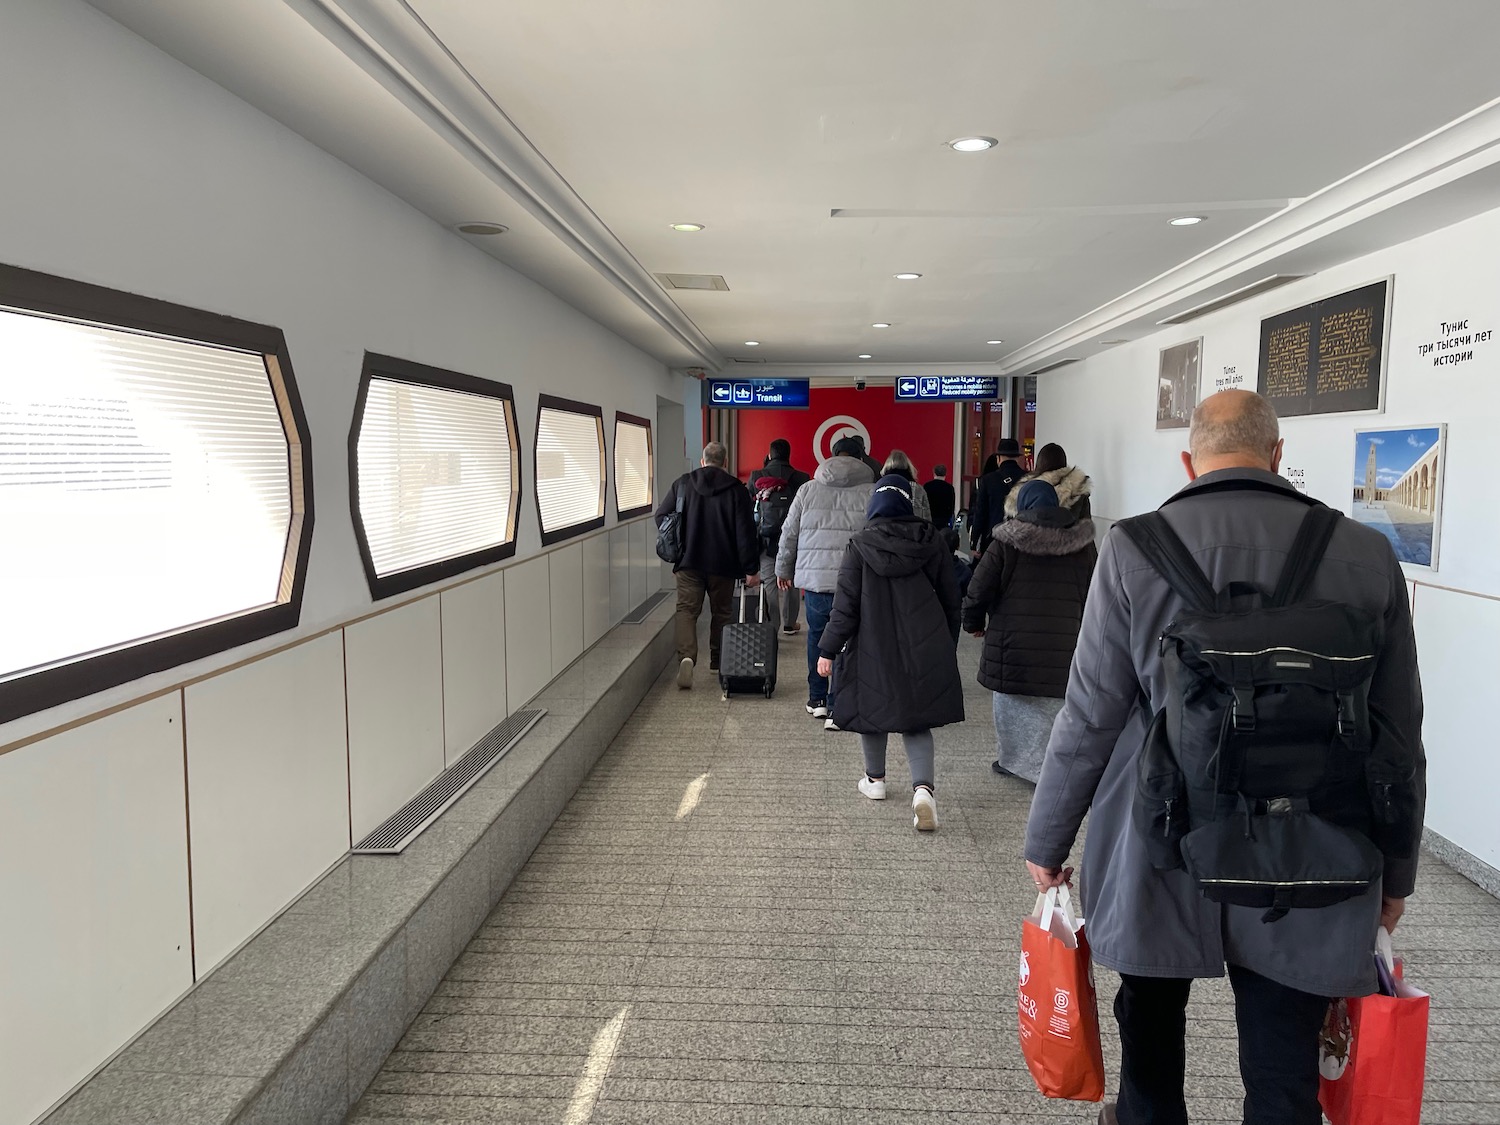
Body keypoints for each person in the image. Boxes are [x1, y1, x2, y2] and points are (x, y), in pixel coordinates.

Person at [1023, 391, 1425, 1125]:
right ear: (1277, 455)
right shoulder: (1367, 554)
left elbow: (1089, 715)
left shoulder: (1132, 548)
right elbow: (1399, 730)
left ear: (1189, 461)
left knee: (1149, 1036)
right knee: (1283, 1071)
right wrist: (1396, 871)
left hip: (1159, 834)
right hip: (1316, 841)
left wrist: (1046, 841)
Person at [816, 476, 963, 830]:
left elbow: (845, 608)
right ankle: (923, 790)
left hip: (873, 643)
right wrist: (947, 642)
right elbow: (951, 599)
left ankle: (876, 781)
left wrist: (828, 649)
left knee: (873, 707)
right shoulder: (933, 542)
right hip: (925, 642)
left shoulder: (860, 546)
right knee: (917, 718)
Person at [962, 479, 1096, 782]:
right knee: (1055, 708)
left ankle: (1014, 762)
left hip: (1013, 648)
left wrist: (972, 623)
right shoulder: (1082, 546)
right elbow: (1095, 594)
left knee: (1013, 706)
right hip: (1065, 645)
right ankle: (1051, 763)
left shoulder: (1006, 543)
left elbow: (978, 589)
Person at [776, 436, 875, 729]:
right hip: (856, 582)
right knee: (848, 641)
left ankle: (817, 699)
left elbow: (789, 533)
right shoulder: (872, 493)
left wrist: (784, 569)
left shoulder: (808, 490)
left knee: (818, 638)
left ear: (831, 457)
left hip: (817, 582)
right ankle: (838, 707)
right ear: (861, 459)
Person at [654, 441, 761, 690]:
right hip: (723, 565)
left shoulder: (683, 483)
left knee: (687, 611)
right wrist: (751, 569)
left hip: (688, 563)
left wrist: (679, 541)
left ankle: (687, 657)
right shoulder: (736, 490)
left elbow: (661, 516)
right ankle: (718, 661)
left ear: (702, 461)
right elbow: (746, 534)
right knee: (722, 613)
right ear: (725, 463)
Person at [748, 438, 811, 634]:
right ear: (788, 455)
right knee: (791, 581)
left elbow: (750, 506)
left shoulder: (757, 476)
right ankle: (790, 623)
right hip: (793, 539)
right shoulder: (802, 478)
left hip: (766, 538)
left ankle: (771, 627)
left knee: (769, 583)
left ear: (770, 455)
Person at [1003, 441, 1092, 521]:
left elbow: (1011, 529)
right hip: (1067, 539)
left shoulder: (1023, 492)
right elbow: (1086, 531)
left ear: (1039, 463)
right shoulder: (1077, 491)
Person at [967, 438, 1025, 557]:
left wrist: (974, 543)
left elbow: (980, 514)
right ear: (1017, 458)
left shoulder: (988, 480)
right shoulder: (1028, 478)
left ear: (998, 458)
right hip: (1020, 540)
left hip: (993, 540)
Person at [879, 449, 932, 522]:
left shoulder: (882, 487)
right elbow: (927, 518)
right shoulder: (918, 489)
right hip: (915, 530)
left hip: (888, 530)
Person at [923, 463, 957, 529]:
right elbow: (951, 506)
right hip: (944, 521)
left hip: (930, 519)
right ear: (945, 474)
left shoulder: (927, 486)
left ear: (934, 473)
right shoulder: (949, 488)